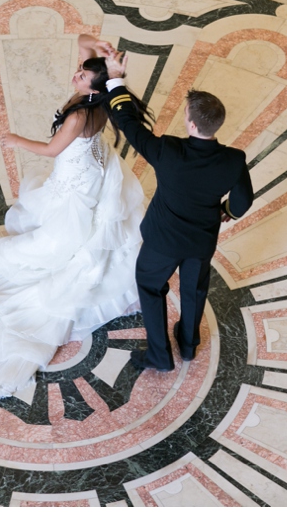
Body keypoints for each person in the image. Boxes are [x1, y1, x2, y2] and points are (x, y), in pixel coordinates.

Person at [0, 35, 153, 400]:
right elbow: (82, 43)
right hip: (81, 172)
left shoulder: (81, 114)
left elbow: (52, 148)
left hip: (75, 181)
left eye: (83, 75)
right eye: (80, 70)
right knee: (60, 224)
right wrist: (97, 48)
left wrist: (16, 141)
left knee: (56, 241)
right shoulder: (96, 97)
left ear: (93, 87)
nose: (76, 74)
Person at [103, 50, 254, 371]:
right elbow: (242, 202)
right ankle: (188, 344)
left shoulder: (168, 151)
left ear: (190, 122)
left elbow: (128, 123)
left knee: (149, 286)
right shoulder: (233, 160)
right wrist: (226, 209)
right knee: (195, 289)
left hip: (162, 240)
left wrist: (115, 78)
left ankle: (159, 355)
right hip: (201, 241)